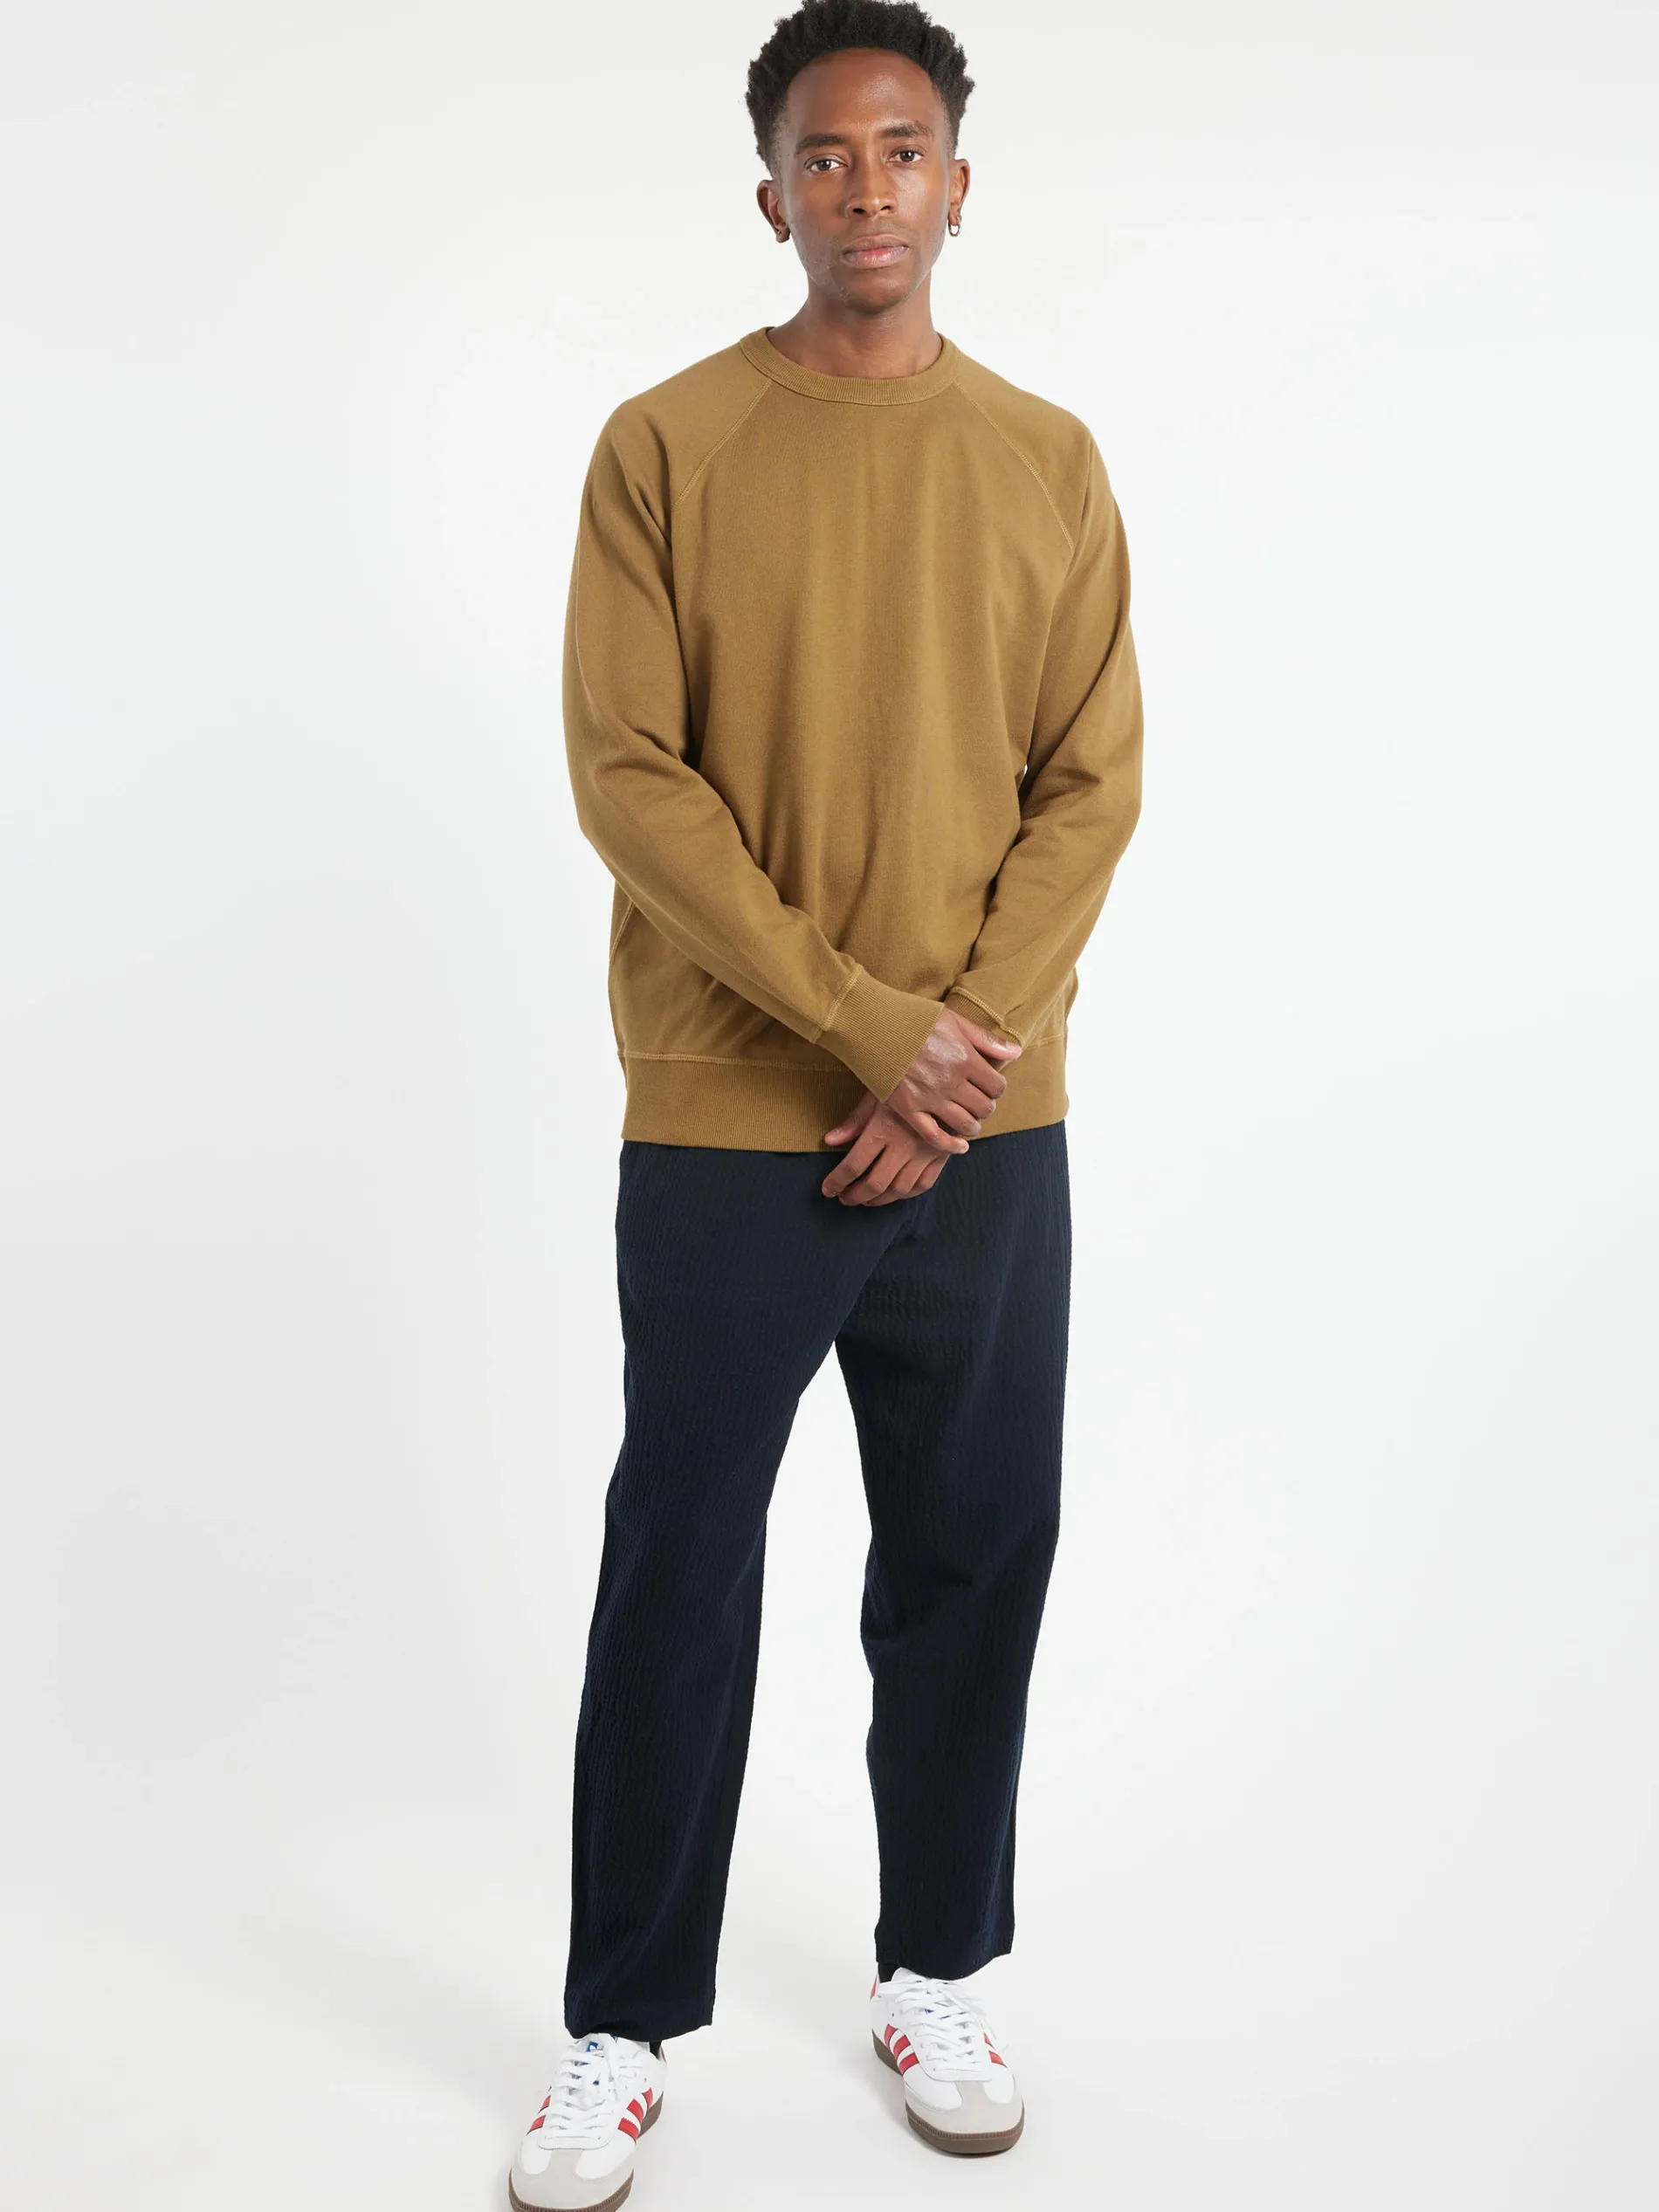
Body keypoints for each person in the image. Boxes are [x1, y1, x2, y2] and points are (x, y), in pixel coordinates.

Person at [508, 3, 1143, 2203]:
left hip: (983, 1124)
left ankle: (937, 1967)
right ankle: (616, 2021)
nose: (863, 185)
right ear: (768, 192)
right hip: (728, 1118)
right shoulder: (664, 448)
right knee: (680, 1560)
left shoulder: (1046, 460)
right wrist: (868, 1027)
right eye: (822, 153)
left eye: (900, 148)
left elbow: (1089, 783)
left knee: (971, 1550)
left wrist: (950, 1058)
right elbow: (631, 779)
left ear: (958, 182)